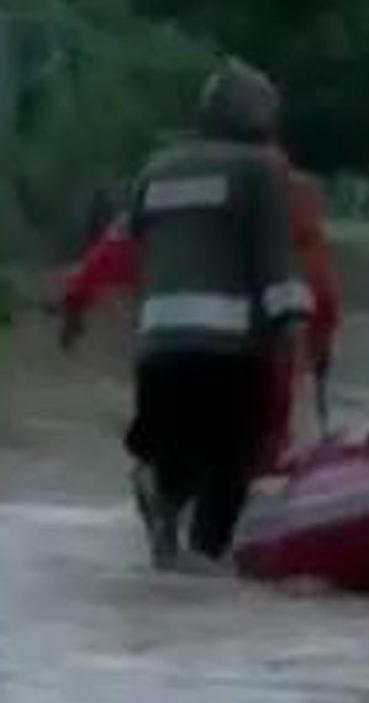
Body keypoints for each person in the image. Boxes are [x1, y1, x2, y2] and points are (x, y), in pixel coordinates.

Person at [123, 58, 311, 571]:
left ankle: (162, 517)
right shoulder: (261, 169)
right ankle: (204, 566)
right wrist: (293, 323)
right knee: (229, 461)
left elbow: (134, 242)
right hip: (228, 343)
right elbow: (274, 257)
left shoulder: (156, 168)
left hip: (159, 338)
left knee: (174, 447)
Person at [60, 159, 340, 475]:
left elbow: (95, 267)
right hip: (243, 356)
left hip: (175, 352)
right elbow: (321, 300)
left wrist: (73, 314)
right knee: (261, 427)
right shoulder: (284, 230)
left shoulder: (161, 221)